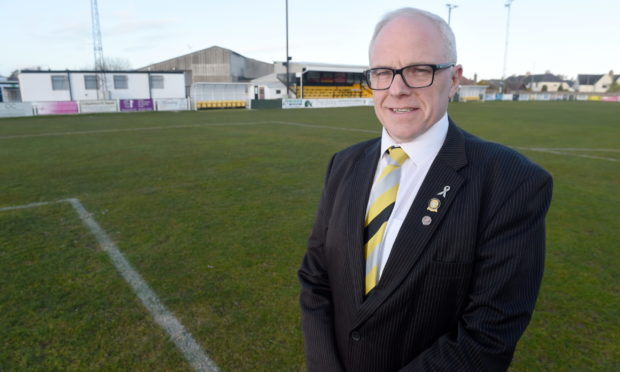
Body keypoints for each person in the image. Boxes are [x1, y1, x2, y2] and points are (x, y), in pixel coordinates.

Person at [298, 7, 553, 372]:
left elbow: (489, 336)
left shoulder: (512, 183)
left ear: (453, 79)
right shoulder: (343, 164)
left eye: (419, 70)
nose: (397, 89)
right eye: (383, 72)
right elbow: (316, 277)